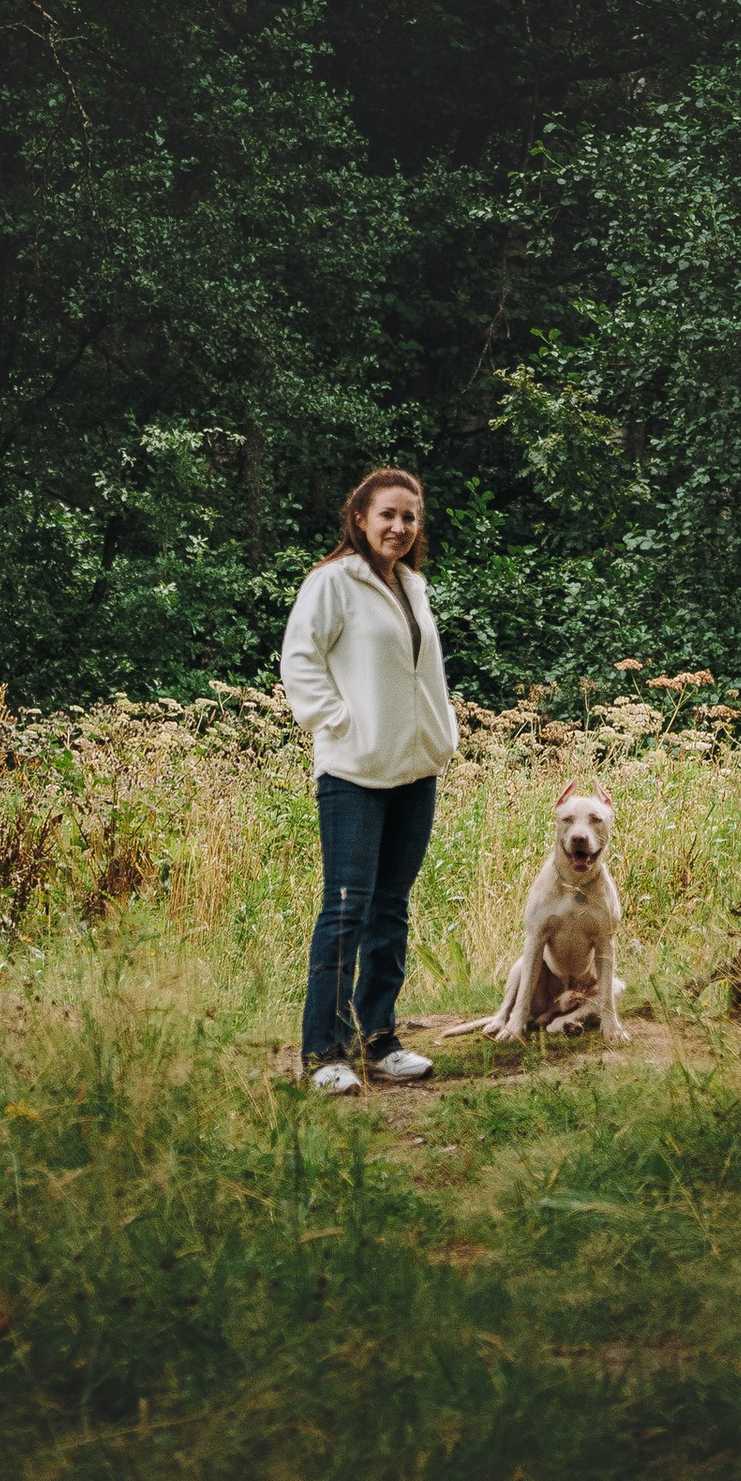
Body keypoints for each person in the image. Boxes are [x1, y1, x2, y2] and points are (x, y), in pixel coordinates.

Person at [278, 466, 459, 1093]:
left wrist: (443, 736)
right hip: (354, 772)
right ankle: (324, 1053)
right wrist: (339, 724)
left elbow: (420, 674)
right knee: (348, 907)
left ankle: (379, 1040)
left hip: (413, 769)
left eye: (409, 517)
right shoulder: (333, 582)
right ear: (360, 517)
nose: (399, 527)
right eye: (387, 515)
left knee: (391, 908)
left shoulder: (411, 585)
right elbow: (299, 660)